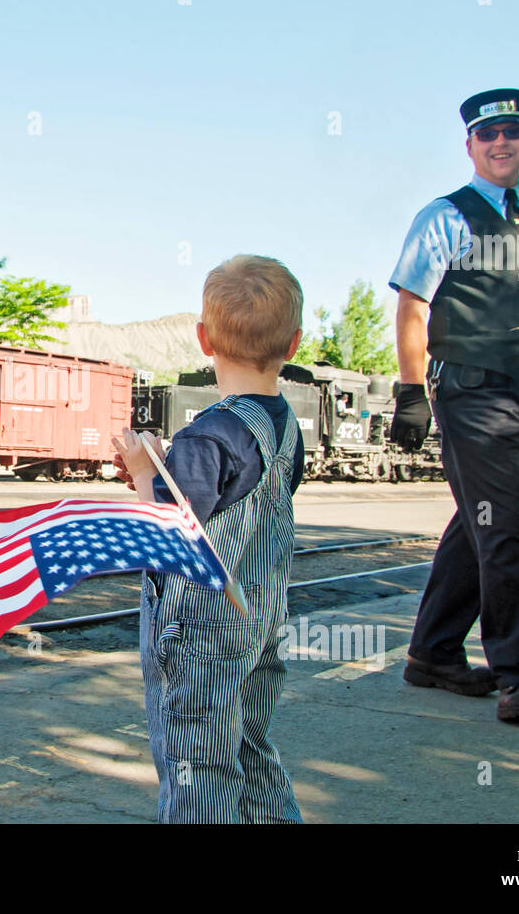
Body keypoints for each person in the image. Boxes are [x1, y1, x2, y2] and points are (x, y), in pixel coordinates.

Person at [387, 88, 519, 726]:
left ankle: (432, 653)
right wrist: (411, 391)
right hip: (472, 393)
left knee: (481, 523)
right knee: (506, 532)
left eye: (512, 130)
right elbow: (412, 307)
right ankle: (518, 676)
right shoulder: (445, 216)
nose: (500, 142)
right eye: (488, 134)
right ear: (470, 146)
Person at [114, 254, 305, 823]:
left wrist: (145, 472)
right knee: (248, 749)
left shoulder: (208, 437)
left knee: (198, 769)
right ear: (293, 344)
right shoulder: (284, 426)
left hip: (199, 637)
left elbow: (166, 539)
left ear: (203, 339)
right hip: (259, 624)